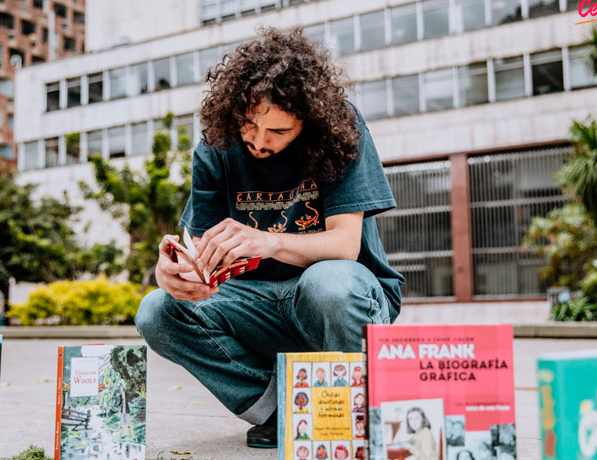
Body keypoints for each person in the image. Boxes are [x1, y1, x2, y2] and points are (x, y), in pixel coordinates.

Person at [135, 26, 404, 449]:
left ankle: (355, 413)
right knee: (156, 311)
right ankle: (284, 412)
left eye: (278, 132)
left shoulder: (341, 129)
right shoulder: (216, 145)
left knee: (329, 283)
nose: (259, 142)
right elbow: (201, 252)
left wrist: (269, 241)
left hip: (338, 304)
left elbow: (345, 245)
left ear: (307, 123)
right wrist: (174, 271)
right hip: (257, 305)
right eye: (249, 126)